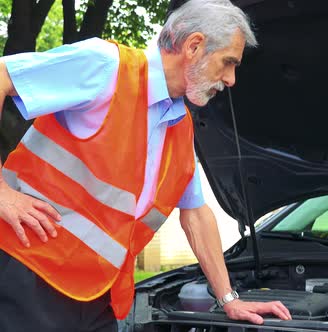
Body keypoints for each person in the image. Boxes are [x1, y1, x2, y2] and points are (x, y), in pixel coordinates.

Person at [0, 0, 291, 331]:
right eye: (228, 62)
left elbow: (195, 215)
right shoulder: (105, 65)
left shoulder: (179, 127)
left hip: (97, 295)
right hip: (28, 272)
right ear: (194, 46)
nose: (231, 78)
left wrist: (229, 299)